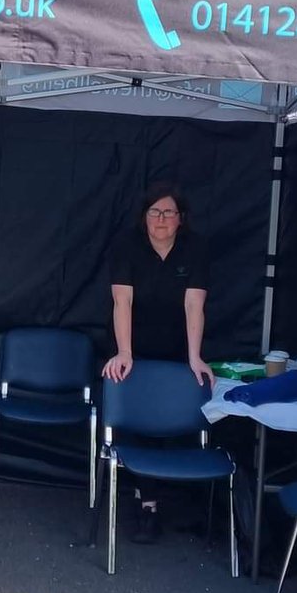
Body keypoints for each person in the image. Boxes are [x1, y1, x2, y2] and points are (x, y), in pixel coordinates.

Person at [101, 182, 212, 542]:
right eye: (155, 212)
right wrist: (124, 352)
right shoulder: (127, 245)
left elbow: (194, 305)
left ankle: (160, 500)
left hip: (176, 348)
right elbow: (122, 303)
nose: (161, 219)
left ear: (181, 219)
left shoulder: (195, 248)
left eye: (169, 213)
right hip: (132, 345)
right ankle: (147, 505)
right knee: (136, 420)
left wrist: (195, 357)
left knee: (171, 422)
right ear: (144, 217)